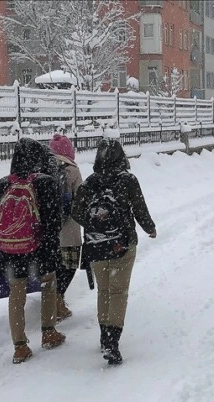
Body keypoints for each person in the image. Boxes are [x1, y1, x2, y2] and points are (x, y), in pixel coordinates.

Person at [72, 139, 157, 365]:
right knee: (118, 292)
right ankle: (112, 341)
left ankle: (104, 336)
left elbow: (76, 211)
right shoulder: (128, 180)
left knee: (104, 291)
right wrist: (150, 228)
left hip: (96, 244)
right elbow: (139, 208)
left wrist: (95, 223)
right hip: (122, 244)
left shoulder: (90, 183)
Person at [0, 138, 66, 364]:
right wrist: (40, 237)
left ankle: (20, 346)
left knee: (16, 294)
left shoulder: (5, 183)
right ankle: (49, 332)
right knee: (48, 285)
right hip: (41, 248)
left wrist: (13, 231)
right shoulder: (45, 182)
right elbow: (54, 219)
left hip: (11, 250)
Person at [48, 133, 83, 323]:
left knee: (52, 267)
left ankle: (52, 300)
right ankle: (58, 299)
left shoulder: (42, 167)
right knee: (68, 266)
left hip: (48, 230)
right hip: (69, 230)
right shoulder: (72, 169)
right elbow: (81, 198)